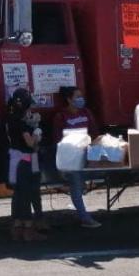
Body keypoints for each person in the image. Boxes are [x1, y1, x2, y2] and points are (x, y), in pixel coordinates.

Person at [53, 86, 102, 228]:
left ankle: (84, 215)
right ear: (69, 99)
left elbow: (94, 133)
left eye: (81, 96)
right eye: (77, 97)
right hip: (71, 157)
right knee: (75, 185)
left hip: (86, 154)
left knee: (79, 185)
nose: (81, 99)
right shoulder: (60, 116)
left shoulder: (86, 113)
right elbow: (58, 140)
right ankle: (84, 217)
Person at [7, 89, 46, 241]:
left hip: (14, 160)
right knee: (28, 193)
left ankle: (17, 227)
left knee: (18, 194)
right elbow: (30, 143)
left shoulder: (10, 118)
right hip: (26, 161)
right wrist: (36, 133)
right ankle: (29, 228)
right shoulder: (21, 122)